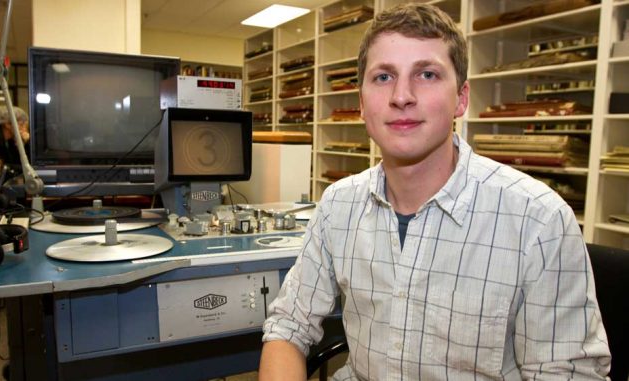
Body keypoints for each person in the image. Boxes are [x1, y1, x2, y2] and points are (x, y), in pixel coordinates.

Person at [259, 3, 610, 380]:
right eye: (383, 77)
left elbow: (566, 374)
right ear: (361, 103)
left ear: (460, 98)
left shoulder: (538, 220)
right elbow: (288, 326)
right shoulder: (337, 206)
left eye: (426, 74)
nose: (402, 95)